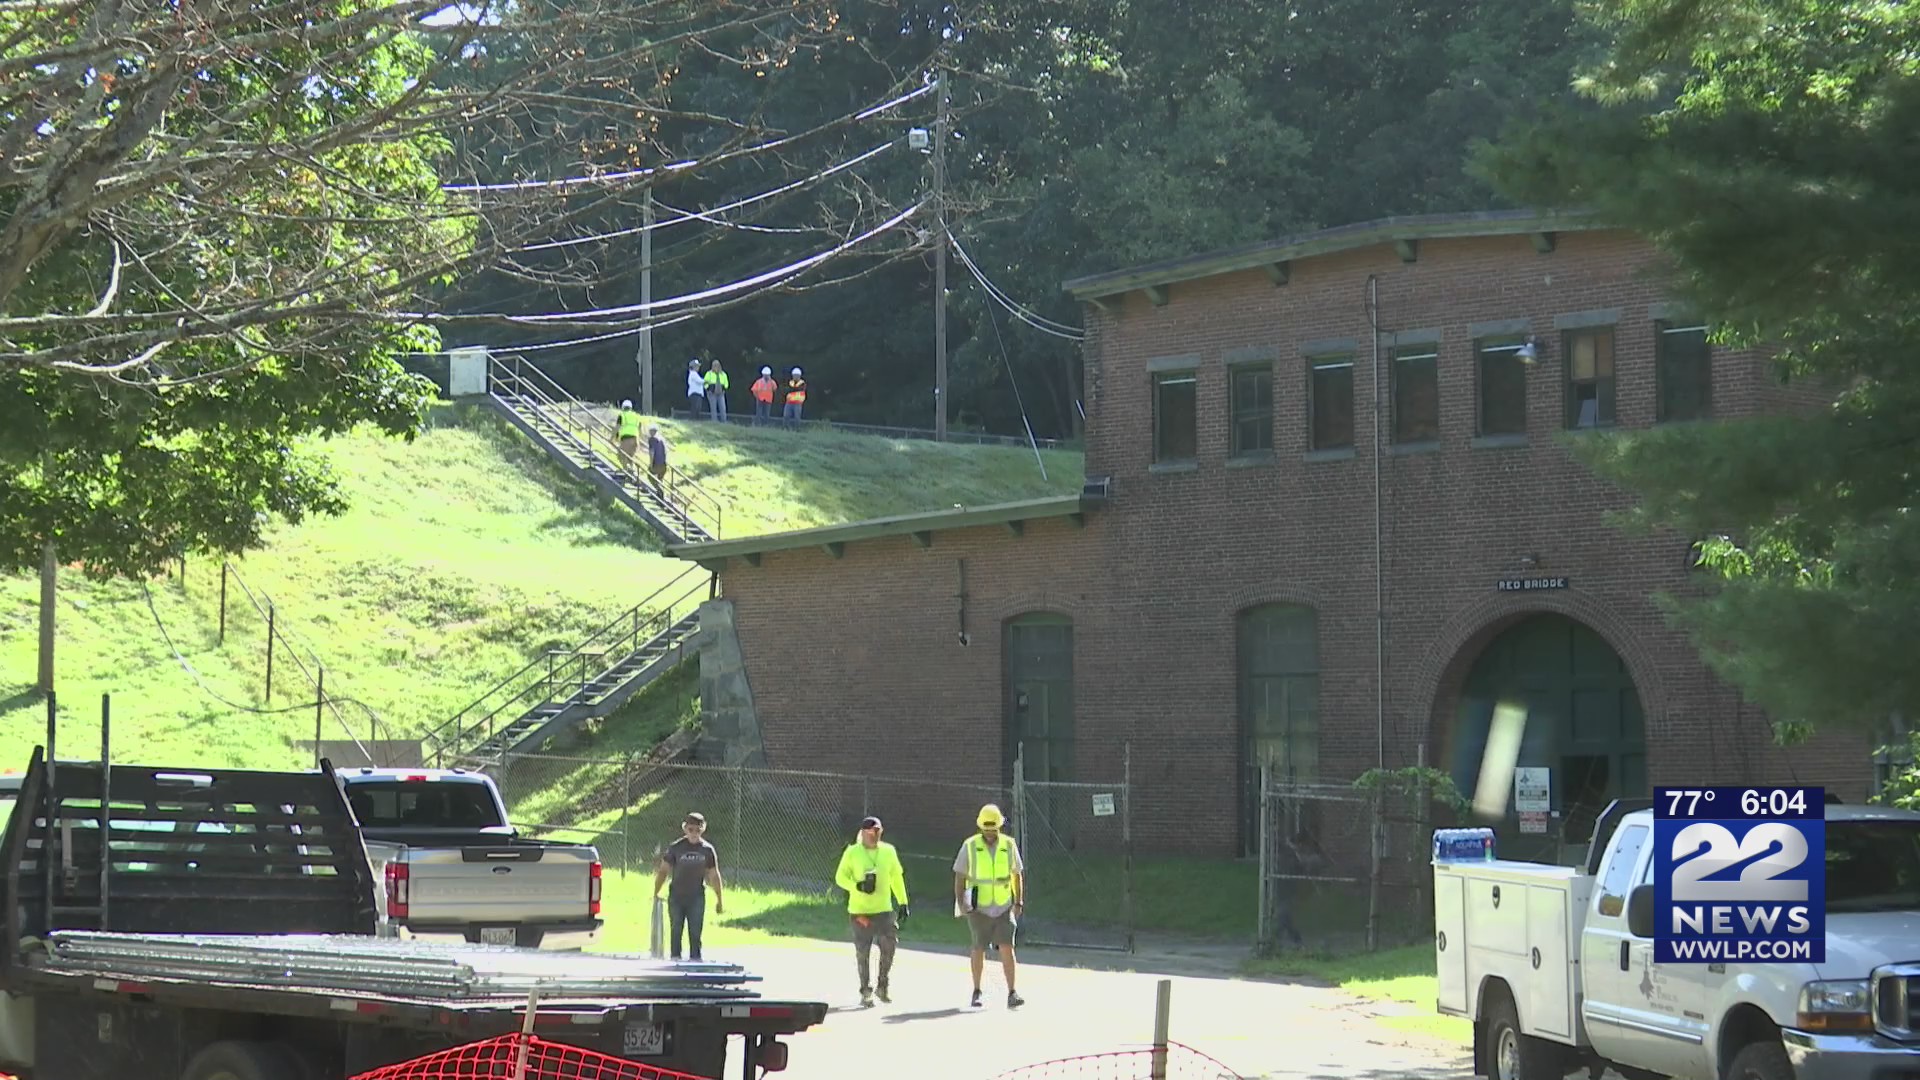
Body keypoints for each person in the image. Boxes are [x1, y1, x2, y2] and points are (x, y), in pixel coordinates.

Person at [952, 803, 1024, 1008]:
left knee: (1007, 947)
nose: (990, 833)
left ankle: (1012, 992)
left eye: (993, 829)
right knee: (979, 948)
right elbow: (960, 876)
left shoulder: (1009, 845)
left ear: (999, 826)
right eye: (987, 829)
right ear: (981, 827)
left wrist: (1018, 901)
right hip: (978, 906)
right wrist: (962, 903)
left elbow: (1017, 874)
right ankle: (977, 991)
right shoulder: (970, 846)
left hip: (1003, 905)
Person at [833, 816, 909, 1007]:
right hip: (860, 912)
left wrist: (903, 902)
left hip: (884, 910)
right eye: (870, 832)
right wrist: (856, 886)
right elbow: (840, 877)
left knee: (889, 945)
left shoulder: (888, 851)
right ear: (863, 833)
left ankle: (882, 985)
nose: (874, 835)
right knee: (863, 951)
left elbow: (896, 877)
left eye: (877, 832)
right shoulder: (852, 852)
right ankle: (865, 990)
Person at [653, 812, 724, 961]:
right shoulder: (676, 848)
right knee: (676, 930)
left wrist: (719, 900)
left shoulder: (707, 850)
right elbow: (663, 871)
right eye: (691, 829)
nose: (694, 833)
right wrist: (656, 892)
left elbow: (714, 875)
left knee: (695, 933)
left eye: (698, 830)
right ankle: (675, 960)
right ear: (685, 829)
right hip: (676, 896)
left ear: (703, 829)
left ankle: (695, 962)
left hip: (696, 897)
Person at [615, 399, 642, 478]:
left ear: (623, 407)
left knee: (621, 455)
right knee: (630, 457)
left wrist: (611, 438)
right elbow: (640, 429)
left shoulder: (622, 415)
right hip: (635, 439)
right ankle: (633, 473)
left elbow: (617, 428)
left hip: (626, 439)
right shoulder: (636, 416)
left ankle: (627, 471)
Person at [646, 424, 671, 496]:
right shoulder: (662, 439)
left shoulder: (652, 439)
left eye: (650, 431)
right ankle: (660, 495)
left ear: (653, 431)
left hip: (657, 464)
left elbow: (652, 452)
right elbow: (665, 451)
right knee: (660, 480)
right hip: (663, 464)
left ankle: (659, 491)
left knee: (650, 476)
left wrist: (651, 464)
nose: (650, 432)